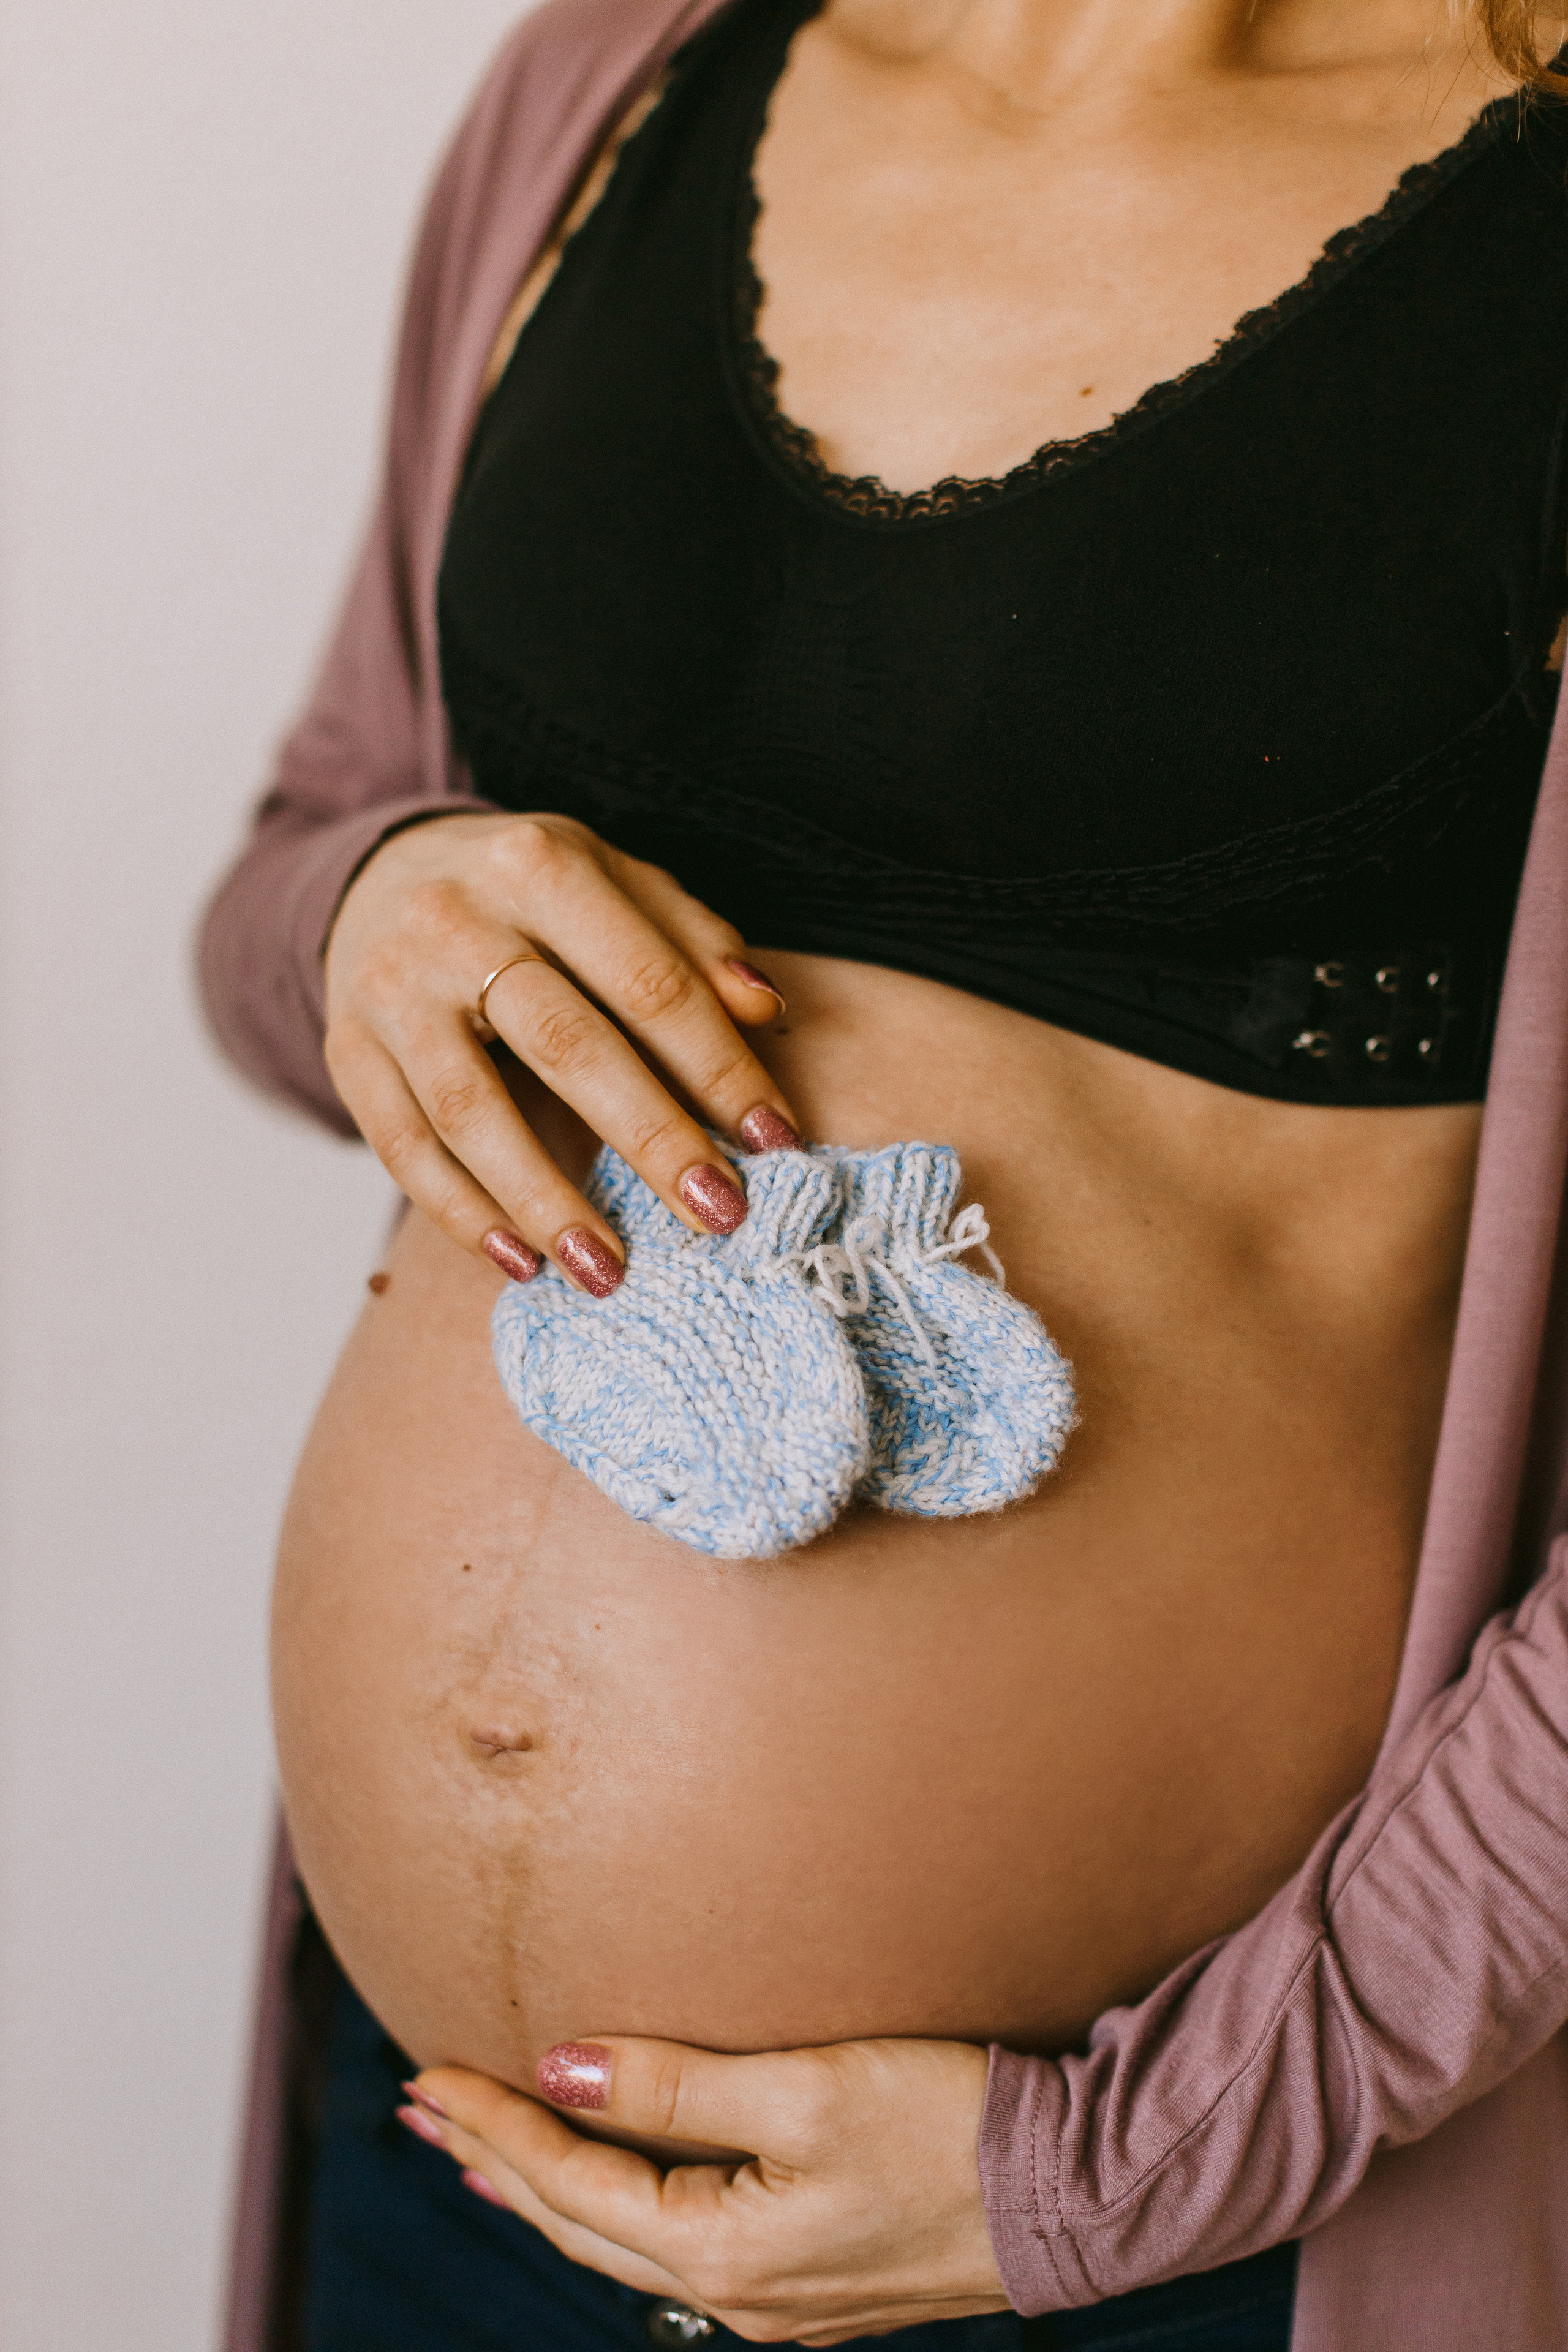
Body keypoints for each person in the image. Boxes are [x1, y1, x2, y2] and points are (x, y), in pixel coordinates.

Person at [203, 1, 1568, 2346]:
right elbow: (299, 863)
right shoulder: (618, 80)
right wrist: (370, 912)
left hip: (1165, 2208)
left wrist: (1136, 2160)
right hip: (447, 2161)